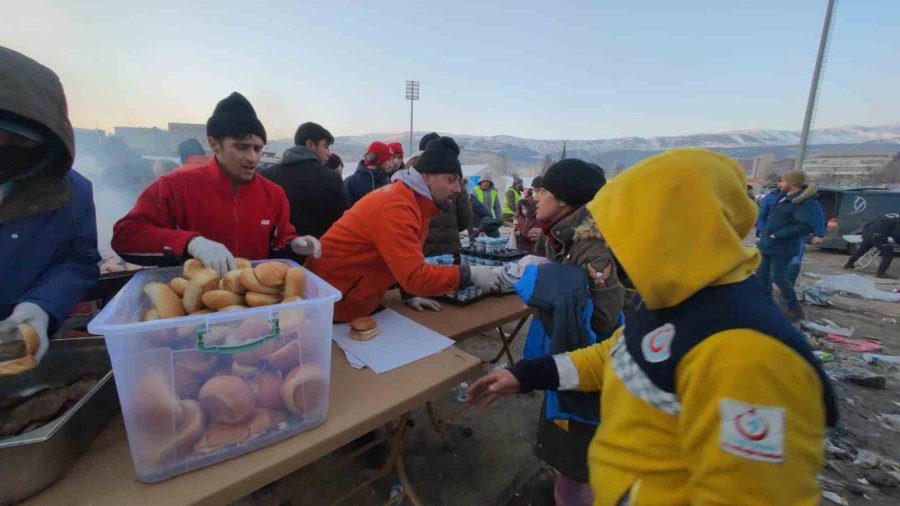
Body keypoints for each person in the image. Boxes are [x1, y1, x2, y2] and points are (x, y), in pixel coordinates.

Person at [468, 148, 837, 506]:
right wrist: (530, 374)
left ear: (670, 231)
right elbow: (620, 353)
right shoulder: (677, 300)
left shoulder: (748, 356)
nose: (611, 245)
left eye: (622, 229)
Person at [111, 92, 320, 274]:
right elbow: (125, 236)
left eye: (258, 148)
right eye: (241, 147)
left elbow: (279, 243)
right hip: (194, 305)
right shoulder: (175, 185)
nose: (252, 157)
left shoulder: (273, 194)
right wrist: (190, 243)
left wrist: (294, 245)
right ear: (214, 144)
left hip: (252, 305)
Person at [306, 137, 501, 322]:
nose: (458, 189)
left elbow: (404, 258)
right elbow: (414, 275)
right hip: (332, 301)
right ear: (426, 176)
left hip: (352, 297)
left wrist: (408, 293)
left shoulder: (415, 201)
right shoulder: (397, 206)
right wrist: (470, 274)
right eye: (451, 180)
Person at [529, 159, 625, 504]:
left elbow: (602, 317)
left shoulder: (591, 245)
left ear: (566, 200)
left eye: (544, 191)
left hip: (588, 372)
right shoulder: (563, 235)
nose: (535, 197)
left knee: (575, 460)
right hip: (572, 361)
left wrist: (548, 293)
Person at [0, 47, 101, 365]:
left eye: (17, 140)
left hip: (27, 346)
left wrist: (43, 305)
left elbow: (79, 258)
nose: (3, 147)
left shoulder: (73, 192)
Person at [260, 122, 347, 240]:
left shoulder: (266, 175)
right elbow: (340, 225)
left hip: (275, 254)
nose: (329, 153)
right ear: (310, 144)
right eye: (325, 146)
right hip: (317, 251)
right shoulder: (332, 179)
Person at [756, 170, 817, 321]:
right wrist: (765, 236)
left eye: (782, 181)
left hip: (782, 247)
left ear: (792, 183)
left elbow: (804, 226)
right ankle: (762, 305)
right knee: (761, 275)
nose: (779, 184)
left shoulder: (803, 202)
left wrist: (778, 235)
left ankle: (794, 308)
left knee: (778, 277)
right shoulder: (783, 198)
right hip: (768, 245)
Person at [422, 168, 473, 259]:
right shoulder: (457, 182)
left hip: (421, 252)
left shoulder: (412, 180)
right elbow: (465, 220)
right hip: (449, 252)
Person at [787, 183, 826, 287]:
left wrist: (819, 234)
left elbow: (818, 218)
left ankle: (788, 288)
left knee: (794, 263)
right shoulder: (782, 197)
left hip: (798, 235)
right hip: (779, 234)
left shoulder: (810, 202)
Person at [99, 136, 154, 202]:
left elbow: (150, 189)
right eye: (110, 154)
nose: (114, 157)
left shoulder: (143, 167)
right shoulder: (108, 173)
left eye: (116, 152)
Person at [844, 213, 900, 279]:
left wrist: (864, 234)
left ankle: (849, 263)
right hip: (879, 236)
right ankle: (881, 273)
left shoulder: (886, 216)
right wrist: (898, 242)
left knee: (861, 250)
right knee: (888, 254)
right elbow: (897, 233)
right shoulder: (898, 220)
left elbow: (869, 224)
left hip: (867, 233)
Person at [344, 141, 392, 207]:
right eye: (388, 160)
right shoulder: (351, 183)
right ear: (380, 160)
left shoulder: (388, 181)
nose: (390, 164)